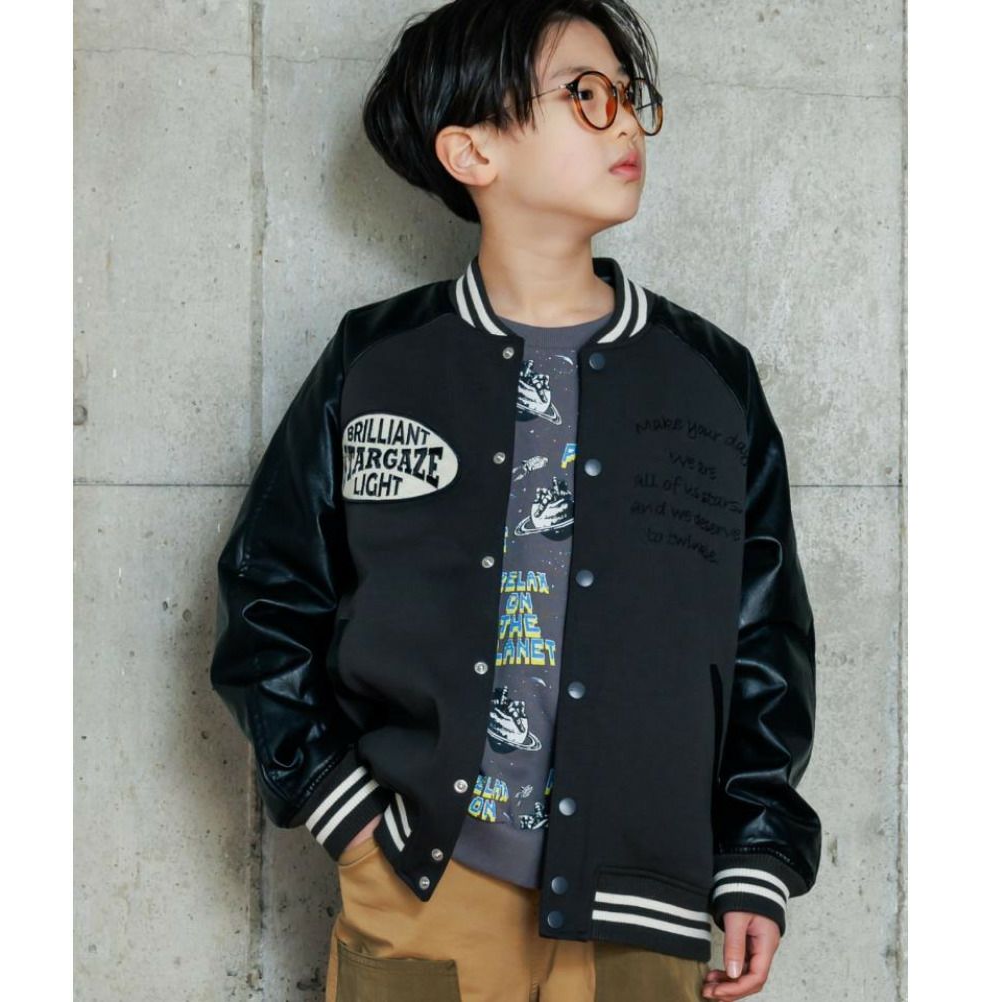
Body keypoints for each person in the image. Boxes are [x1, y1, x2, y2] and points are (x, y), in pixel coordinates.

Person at [209, 2, 821, 1000]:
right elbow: (267, 601)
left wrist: (757, 854)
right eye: (584, 93)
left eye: (626, 94)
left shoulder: (710, 380)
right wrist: (344, 812)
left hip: (644, 900)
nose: (623, 120)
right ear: (472, 150)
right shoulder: (377, 362)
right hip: (421, 885)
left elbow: (765, 639)